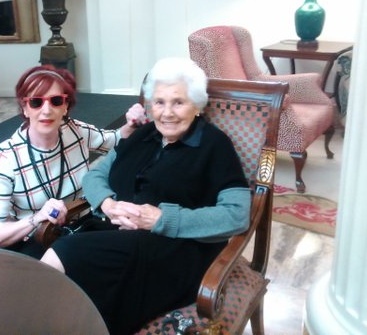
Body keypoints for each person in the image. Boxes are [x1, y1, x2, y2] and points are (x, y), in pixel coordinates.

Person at [40, 58, 251, 334]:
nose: (167, 113)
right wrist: (108, 203)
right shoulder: (144, 135)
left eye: (178, 102)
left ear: (197, 105)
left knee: (63, 254)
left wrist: (161, 220)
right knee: (66, 289)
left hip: (173, 250)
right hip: (115, 234)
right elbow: (93, 176)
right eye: (159, 102)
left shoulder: (214, 144)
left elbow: (237, 214)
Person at [0, 65, 146, 258]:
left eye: (56, 101)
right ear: (25, 108)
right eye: (36, 102)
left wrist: (132, 123)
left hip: (79, 227)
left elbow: (114, 140)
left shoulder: (74, 130)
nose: (46, 110)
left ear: (65, 106)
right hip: (35, 238)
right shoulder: (6, 157)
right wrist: (37, 218)